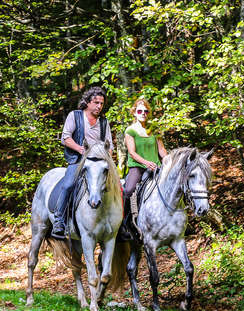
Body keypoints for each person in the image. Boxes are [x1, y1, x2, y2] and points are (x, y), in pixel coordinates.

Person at [52, 86, 113, 237]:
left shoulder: (104, 122)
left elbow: (109, 145)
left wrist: (107, 159)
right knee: (68, 185)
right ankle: (59, 220)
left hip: (98, 162)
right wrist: (81, 150)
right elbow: (65, 138)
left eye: (101, 103)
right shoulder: (75, 116)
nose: (99, 106)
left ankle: (121, 224)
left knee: (118, 186)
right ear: (87, 102)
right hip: (78, 160)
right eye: (96, 102)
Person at [121, 98, 167, 237]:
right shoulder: (130, 131)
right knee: (128, 190)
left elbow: (162, 150)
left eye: (145, 111)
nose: (143, 113)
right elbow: (132, 153)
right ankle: (125, 224)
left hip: (156, 167)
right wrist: (146, 163)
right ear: (134, 113)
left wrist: (169, 161)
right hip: (138, 167)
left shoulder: (154, 129)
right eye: (139, 111)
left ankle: (179, 221)